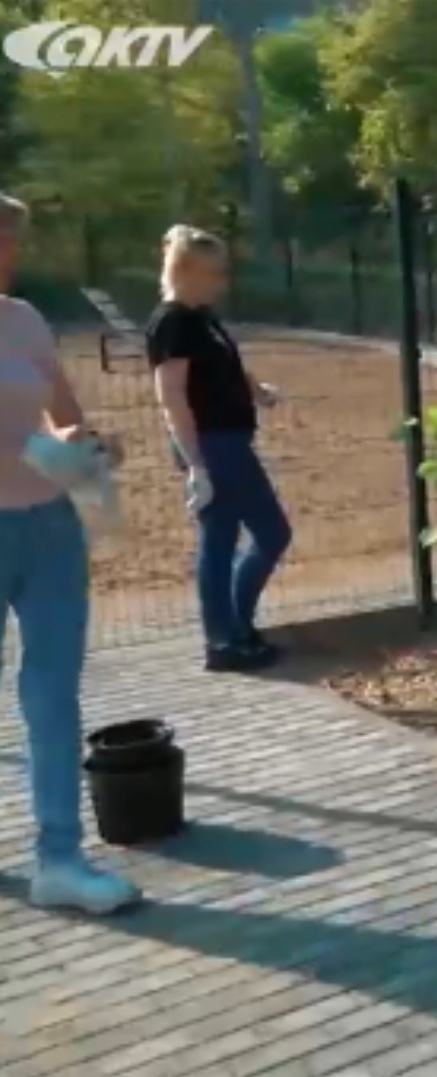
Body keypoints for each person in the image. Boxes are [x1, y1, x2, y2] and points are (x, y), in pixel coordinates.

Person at [0, 192, 142, 913]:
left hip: (50, 527)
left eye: (11, 240)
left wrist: (87, 447)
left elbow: (65, 412)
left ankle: (59, 858)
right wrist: (25, 448)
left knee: (52, 696)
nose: (7, 254)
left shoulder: (24, 320)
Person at [147, 225, 291, 672]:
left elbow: (227, 367)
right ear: (185, 269)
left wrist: (256, 390)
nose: (221, 281)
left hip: (228, 441)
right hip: (212, 446)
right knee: (267, 533)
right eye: (214, 271)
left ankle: (230, 634)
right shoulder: (172, 322)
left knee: (225, 540)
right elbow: (172, 397)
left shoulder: (201, 317)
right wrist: (196, 466)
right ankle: (227, 636)